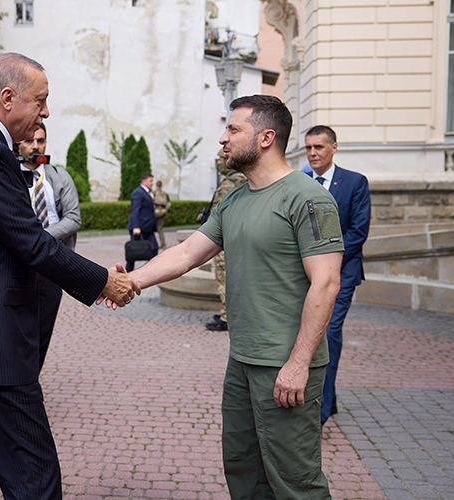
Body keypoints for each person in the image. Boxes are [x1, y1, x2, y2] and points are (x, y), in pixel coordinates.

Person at [0, 53, 139, 500]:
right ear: (9, 98)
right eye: (42, 100)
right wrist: (103, 282)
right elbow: (31, 243)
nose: (46, 112)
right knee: (35, 479)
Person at [123, 95, 343, 499]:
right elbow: (188, 252)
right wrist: (131, 282)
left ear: (265, 137)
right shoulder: (234, 200)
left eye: (233, 129)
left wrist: (298, 363)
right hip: (242, 361)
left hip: (285, 365)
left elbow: (326, 284)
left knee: (296, 482)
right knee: (243, 469)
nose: (223, 139)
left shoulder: (308, 197)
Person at [302, 125, 371, 425]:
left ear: (334, 148)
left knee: (326, 335)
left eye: (319, 147)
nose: (313, 153)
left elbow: (358, 231)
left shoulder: (355, 183)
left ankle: (319, 412)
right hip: (305, 276)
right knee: (308, 334)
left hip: (342, 274)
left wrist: (326, 262)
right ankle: (327, 399)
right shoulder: (299, 181)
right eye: (308, 148)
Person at [17, 123, 82, 372]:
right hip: (17, 264)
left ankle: (30, 381)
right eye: (29, 141)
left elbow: (74, 218)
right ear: (18, 144)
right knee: (15, 327)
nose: (35, 146)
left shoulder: (59, 176)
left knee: (42, 329)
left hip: (51, 264)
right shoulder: (7, 174)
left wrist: (40, 238)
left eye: (40, 141)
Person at [205, 151, 247, 332]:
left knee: (224, 280)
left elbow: (218, 217)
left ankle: (226, 317)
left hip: (225, 242)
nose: (219, 163)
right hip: (242, 239)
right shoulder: (246, 180)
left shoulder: (228, 184)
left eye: (221, 159)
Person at [125, 172, 157, 271]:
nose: (152, 183)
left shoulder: (148, 193)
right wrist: (136, 227)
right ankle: (127, 273)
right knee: (133, 253)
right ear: (143, 181)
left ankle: (150, 271)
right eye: (150, 181)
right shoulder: (138, 193)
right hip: (139, 228)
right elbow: (135, 210)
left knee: (154, 248)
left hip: (147, 228)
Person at [153, 180, 171, 249]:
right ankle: (163, 244)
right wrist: (165, 210)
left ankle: (153, 244)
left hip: (155, 212)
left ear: (156, 185)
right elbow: (169, 203)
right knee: (160, 229)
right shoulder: (165, 194)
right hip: (163, 212)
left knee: (152, 229)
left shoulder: (154, 193)